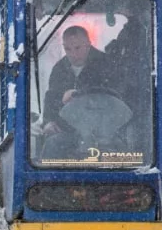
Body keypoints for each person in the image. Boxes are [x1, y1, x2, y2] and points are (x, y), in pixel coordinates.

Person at [38, 25, 115, 158]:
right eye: (67, 49)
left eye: (77, 48)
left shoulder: (106, 64)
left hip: (105, 134)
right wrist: (48, 122)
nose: (73, 54)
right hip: (69, 132)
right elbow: (51, 99)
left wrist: (81, 96)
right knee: (52, 145)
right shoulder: (59, 69)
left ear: (88, 44)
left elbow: (114, 97)